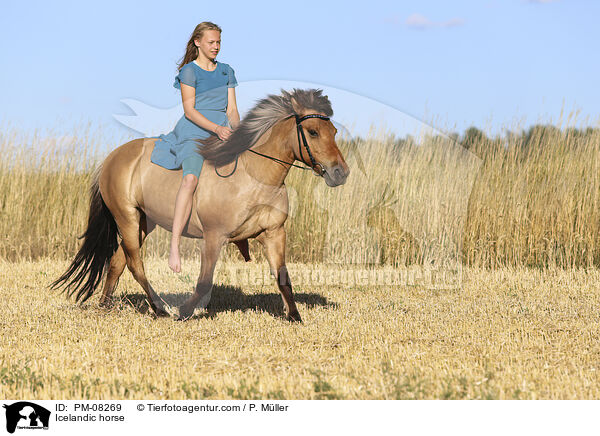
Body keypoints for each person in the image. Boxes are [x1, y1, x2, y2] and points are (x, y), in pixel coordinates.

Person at [150, 22, 240, 273]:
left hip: (223, 132)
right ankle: (175, 245)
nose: (216, 47)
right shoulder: (189, 71)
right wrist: (217, 129)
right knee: (190, 179)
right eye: (211, 42)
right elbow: (189, 111)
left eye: (219, 42)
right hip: (195, 132)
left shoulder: (227, 71)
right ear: (198, 43)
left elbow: (232, 110)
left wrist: (239, 134)